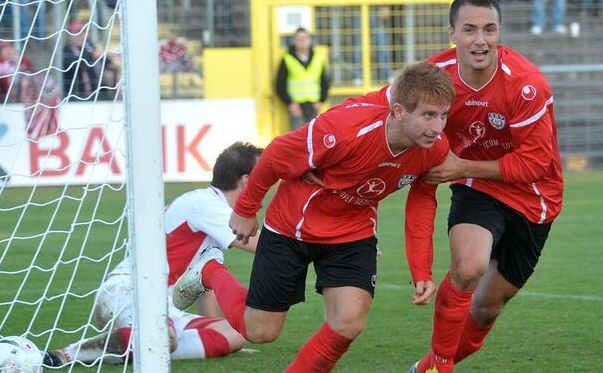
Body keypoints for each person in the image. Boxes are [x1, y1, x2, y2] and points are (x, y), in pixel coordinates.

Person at [172, 61, 455, 372]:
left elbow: (422, 204)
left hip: (353, 231)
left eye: (443, 116)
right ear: (399, 111)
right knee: (260, 331)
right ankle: (209, 270)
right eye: (428, 115)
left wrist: (421, 268)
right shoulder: (346, 130)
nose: (437, 127)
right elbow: (277, 153)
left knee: (348, 322)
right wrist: (245, 208)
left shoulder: (435, 148)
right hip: (291, 227)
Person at [395, 0, 563, 371]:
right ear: (452, 33)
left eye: (489, 29)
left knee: (486, 308)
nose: (480, 40)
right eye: (469, 29)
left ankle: (424, 367)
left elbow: (535, 164)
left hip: (534, 199)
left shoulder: (527, 85)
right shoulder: (434, 75)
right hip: (477, 187)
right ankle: (441, 366)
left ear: (499, 33)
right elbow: (382, 108)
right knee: (468, 267)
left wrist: (460, 165)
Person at [42, 142, 263, 366]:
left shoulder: (209, 207)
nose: (266, 185)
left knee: (234, 334)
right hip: (130, 292)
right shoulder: (207, 205)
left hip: (163, 305)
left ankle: (142, 344)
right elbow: (262, 245)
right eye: (263, 177)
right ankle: (64, 355)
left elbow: (205, 289)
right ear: (247, 181)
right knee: (161, 339)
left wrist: (215, 337)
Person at [275, 27, 330, 130]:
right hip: (296, 106)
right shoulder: (287, 59)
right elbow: (280, 84)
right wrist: (290, 104)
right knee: (298, 138)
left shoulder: (318, 59)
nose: (302, 42)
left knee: (315, 135)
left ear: (310, 40)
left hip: (314, 105)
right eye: (299, 39)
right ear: (295, 41)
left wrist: (321, 100)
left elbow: (325, 82)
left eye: (305, 39)